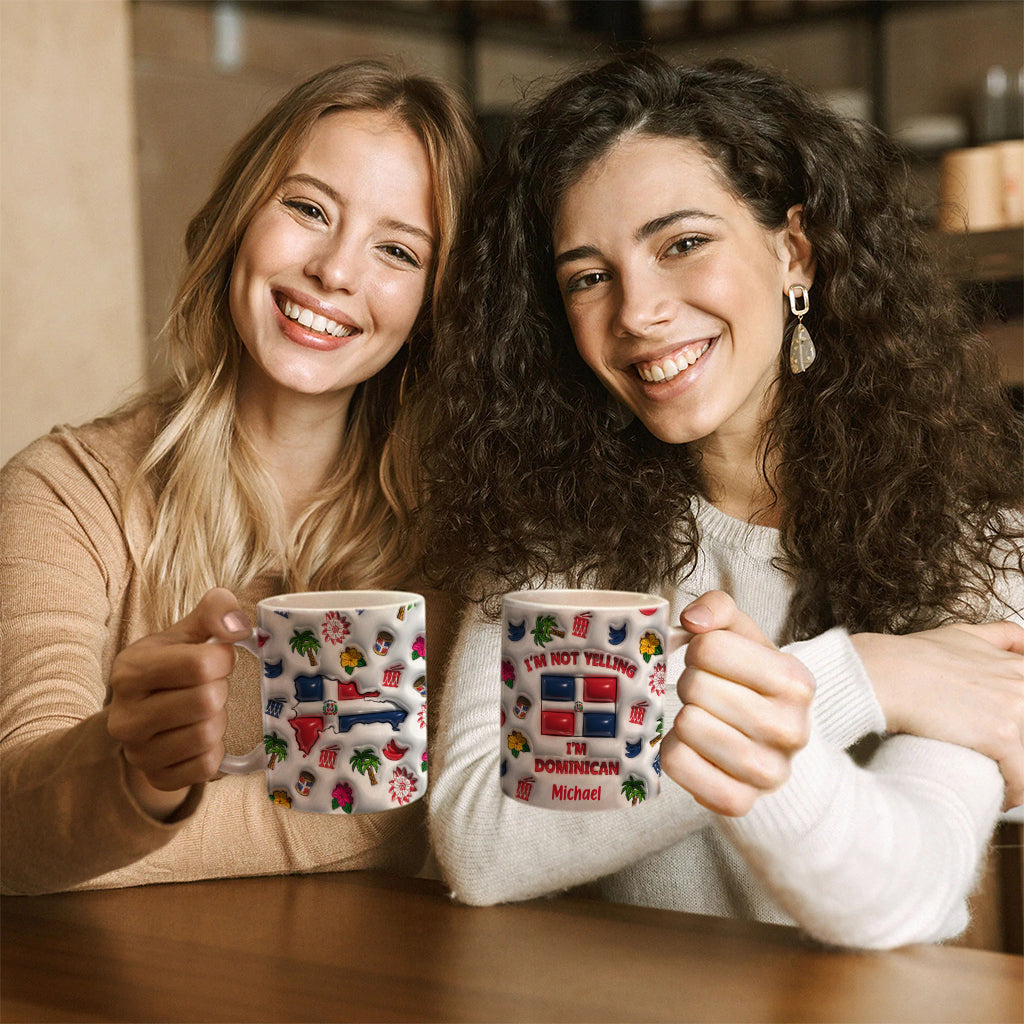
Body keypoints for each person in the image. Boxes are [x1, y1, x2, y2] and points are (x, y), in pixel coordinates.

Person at [415, 53, 1024, 949]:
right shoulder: (552, 541)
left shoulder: (977, 545)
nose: (637, 311)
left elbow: (901, 892)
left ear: (794, 252)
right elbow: (480, 844)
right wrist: (858, 677)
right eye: (588, 276)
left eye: (682, 244)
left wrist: (786, 692)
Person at [1, 60, 482, 895]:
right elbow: (16, 826)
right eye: (307, 208)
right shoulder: (65, 492)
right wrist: (138, 776)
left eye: (397, 250)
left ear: (434, 304)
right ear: (238, 220)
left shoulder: (459, 533)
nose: (335, 270)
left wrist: (126, 830)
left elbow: (415, 808)